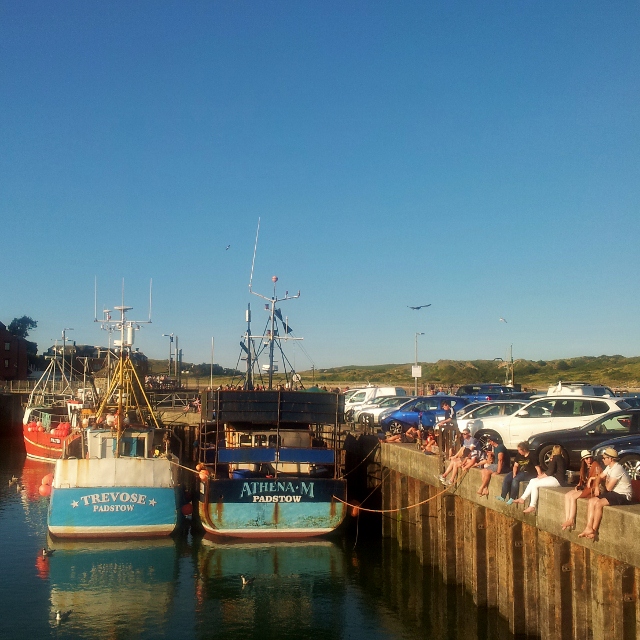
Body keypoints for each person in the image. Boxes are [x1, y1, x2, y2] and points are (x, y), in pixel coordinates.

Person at [578, 448, 633, 539]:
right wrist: (596, 487)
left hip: (623, 495)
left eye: (604, 458)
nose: (602, 460)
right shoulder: (609, 467)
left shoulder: (617, 469)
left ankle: (594, 530)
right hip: (614, 492)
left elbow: (608, 487)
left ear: (610, 459)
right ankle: (588, 527)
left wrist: (605, 480)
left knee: (599, 503)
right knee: (591, 501)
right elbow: (600, 476)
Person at [513, 445, 566, 514]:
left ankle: (532, 506)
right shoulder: (561, 458)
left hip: (557, 480)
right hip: (556, 478)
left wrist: (541, 476)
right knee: (532, 480)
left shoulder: (555, 458)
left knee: (535, 485)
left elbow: (550, 472)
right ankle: (522, 498)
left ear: (553, 450)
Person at [561, 450, 603, 531]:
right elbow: (582, 480)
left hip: (591, 489)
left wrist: (592, 478)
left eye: (590, 458)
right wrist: (578, 486)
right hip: (585, 487)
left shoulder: (595, 465)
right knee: (567, 495)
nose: (589, 460)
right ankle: (567, 519)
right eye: (586, 458)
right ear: (583, 460)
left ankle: (571, 520)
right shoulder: (584, 467)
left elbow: (601, 476)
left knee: (573, 497)